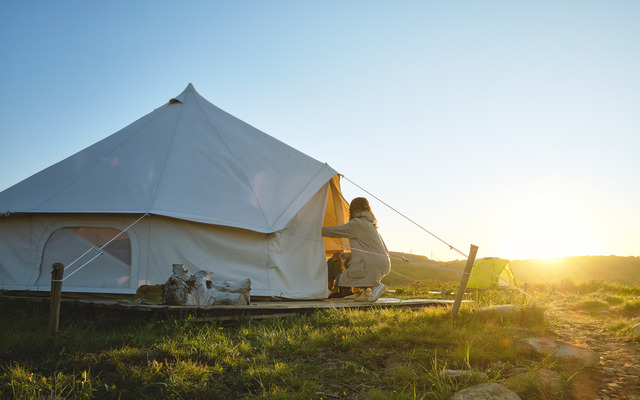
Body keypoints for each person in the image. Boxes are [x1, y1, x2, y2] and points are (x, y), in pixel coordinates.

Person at [321, 197, 390, 302]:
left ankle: (376, 286)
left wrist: (316, 230)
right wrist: (349, 255)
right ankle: (366, 292)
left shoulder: (357, 223)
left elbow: (335, 231)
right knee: (349, 264)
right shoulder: (370, 225)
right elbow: (369, 249)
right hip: (383, 262)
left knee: (341, 279)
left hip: (372, 263)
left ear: (352, 209)